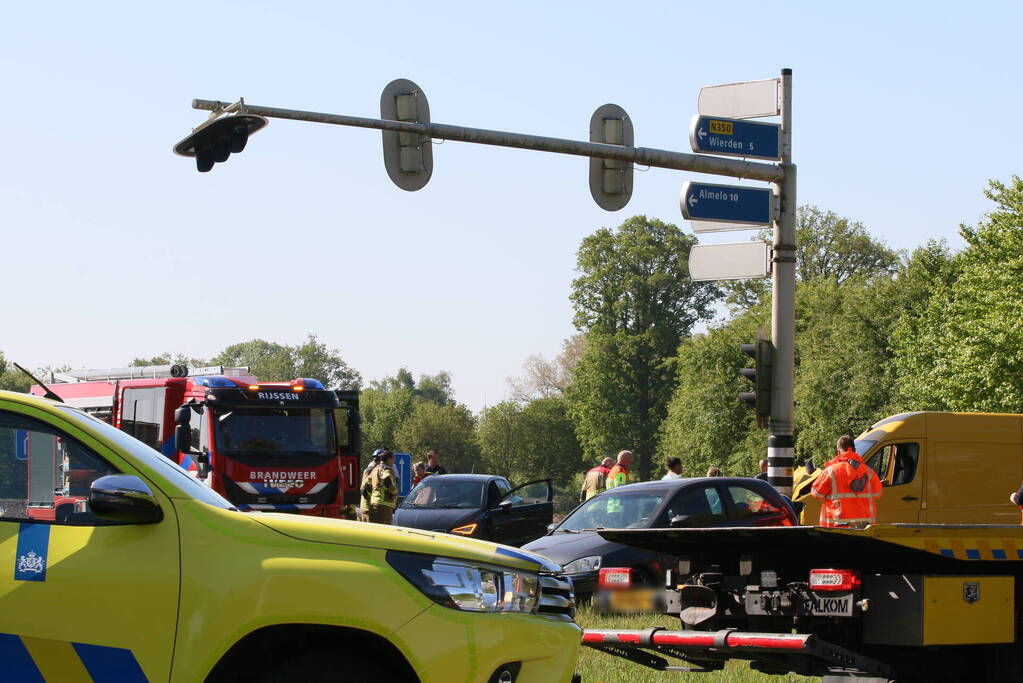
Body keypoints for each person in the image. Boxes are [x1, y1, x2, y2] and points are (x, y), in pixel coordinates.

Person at [811, 435, 883, 527]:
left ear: (838, 452)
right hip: (864, 526)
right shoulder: (869, 472)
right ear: (854, 450)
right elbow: (878, 493)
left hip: (838, 527)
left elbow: (816, 494)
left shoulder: (830, 471)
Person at [368, 450, 398, 524]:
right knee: (385, 530)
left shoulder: (375, 469)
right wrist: (394, 492)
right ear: (389, 459)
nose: (394, 460)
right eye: (393, 458)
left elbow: (367, 485)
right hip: (384, 505)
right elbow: (387, 480)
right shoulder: (387, 470)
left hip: (373, 503)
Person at [358, 449, 383, 521]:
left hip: (363, 506)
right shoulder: (373, 471)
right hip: (369, 507)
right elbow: (365, 489)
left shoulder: (367, 470)